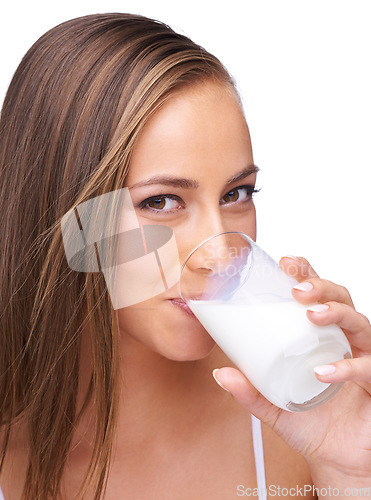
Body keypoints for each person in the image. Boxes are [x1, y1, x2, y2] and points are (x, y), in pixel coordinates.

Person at [0, 13, 370, 500]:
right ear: (70, 222)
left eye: (237, 193)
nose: (218, 253)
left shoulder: (297, 419)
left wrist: (352, 476)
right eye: (160, 202)